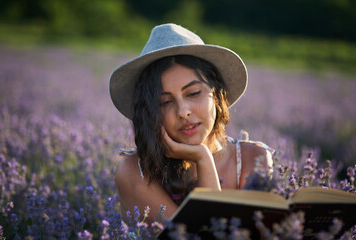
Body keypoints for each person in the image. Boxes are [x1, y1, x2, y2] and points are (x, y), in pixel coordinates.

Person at [109, 23, 273, 223]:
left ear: (217, 95)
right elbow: (204, 236)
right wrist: (202, 158)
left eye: (194, 93)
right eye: (165, 102)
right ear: (150, 113)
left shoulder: (253, 159)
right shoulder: (134, 172)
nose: (183, 112)